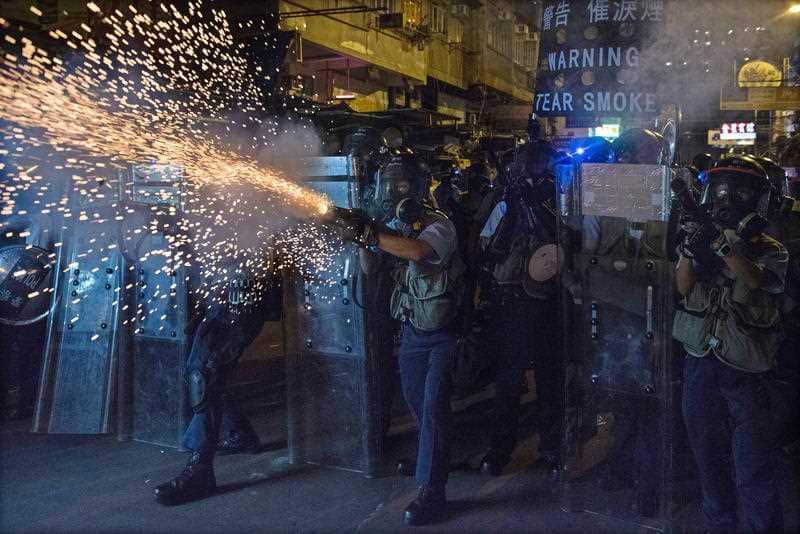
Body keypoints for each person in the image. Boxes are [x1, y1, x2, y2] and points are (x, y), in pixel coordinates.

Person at [335, 149, 461, 526]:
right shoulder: (391, 227)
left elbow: (417, 251)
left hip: (443, 334)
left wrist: (372, 234)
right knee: (418, 405)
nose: (394, 194)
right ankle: (431, 459)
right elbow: (370, 268)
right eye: (389, 187)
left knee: (434, 408)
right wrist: (363, 240)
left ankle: (432, 491)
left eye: (401, 186)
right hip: (411, 332)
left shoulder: (439, 225)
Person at [673, 155, 787, 533]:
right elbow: (683, 286)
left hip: (746, 369)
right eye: (721, 191)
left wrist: (725, 247)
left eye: (738, 192)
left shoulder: (771, 245)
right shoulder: (700, 236)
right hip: (700, 361)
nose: (726, 199)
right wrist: (692, 250)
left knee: (752, 467)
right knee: (708, 459)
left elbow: (757, 280)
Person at [154, 261, 271, 505]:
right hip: (221, 295)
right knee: (209, 375)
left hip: (238, 296)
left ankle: (201, 471)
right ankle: (240, 433)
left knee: (203, 375)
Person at [476, 140, 561, 476]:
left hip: (547, 297)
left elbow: (567, 239)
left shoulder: (557, 197)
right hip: (510, 298)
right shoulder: (505, 198)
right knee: (508, 382)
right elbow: (486, 246)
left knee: (549, 380)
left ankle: (552, 447)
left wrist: (538, 208)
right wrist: (511, 208)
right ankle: (500, 449)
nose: (530, 172)